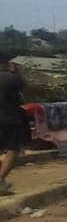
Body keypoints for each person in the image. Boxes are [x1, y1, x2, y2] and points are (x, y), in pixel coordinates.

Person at [0, 62, 29, 196]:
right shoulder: (14, 78)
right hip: (9, 118)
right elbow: (26, 90)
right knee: (13, 149)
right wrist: (18, 73)